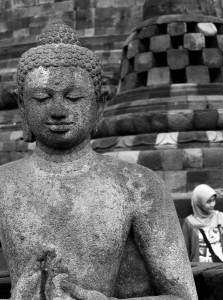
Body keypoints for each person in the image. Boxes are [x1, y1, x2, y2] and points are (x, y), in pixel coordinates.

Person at [0, 22, 198, 300]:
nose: (58, 111)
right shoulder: (3, 185)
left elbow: (183, 297)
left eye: (74, 97)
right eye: (42, 98)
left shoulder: (137, 185)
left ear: (99, 105)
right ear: (22, 105)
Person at [182, 184, 223, 263]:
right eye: (208, 201)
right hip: (198, 269)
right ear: (198, 202)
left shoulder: (220, 218)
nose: (212, 204)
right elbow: (185, 251)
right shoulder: (189, 222)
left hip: (219, 267)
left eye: (214, 200)